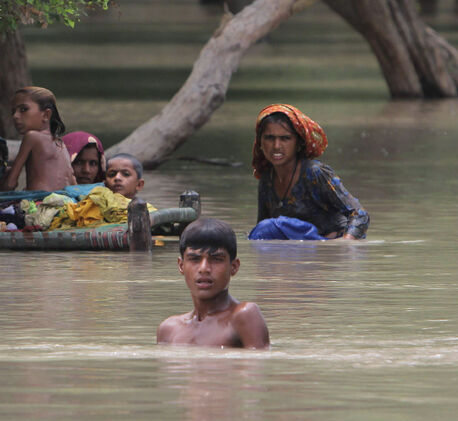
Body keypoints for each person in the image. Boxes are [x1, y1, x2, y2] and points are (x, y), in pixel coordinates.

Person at [251, 103, 369, 240]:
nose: (276, 146)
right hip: (298, 249)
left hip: (329, 246)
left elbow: (360, 214)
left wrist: (344, 244)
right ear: (260, 142)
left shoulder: (315, 173)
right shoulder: (267, 178)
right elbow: (262, 230)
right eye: (270, 138)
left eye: (285, 138)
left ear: (298, 143)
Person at [157, 218, 270, 349]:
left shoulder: (244, 316)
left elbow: (256, 365)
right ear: (181, 266)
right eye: (194, 259)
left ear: (234, 267)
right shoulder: (168, 330)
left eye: (216, 259)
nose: (204, 268)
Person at [0, 86, 76, 192]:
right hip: (67, 201)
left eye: (23, 109)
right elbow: (72, 181)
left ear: (46, 114)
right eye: (13, 111)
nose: (15, 116)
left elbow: (10, 184)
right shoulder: (60, 143)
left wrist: (2, 178)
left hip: (40, 203)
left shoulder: (32, 137)